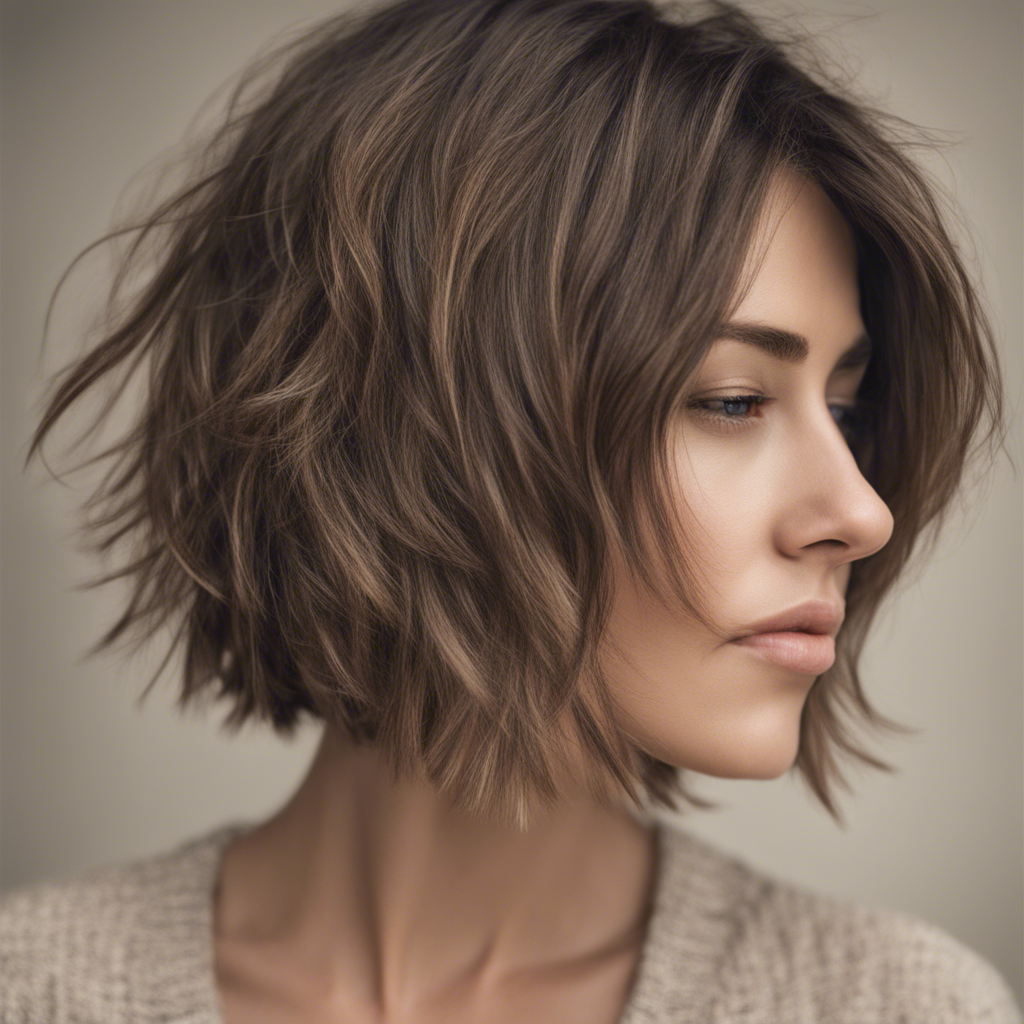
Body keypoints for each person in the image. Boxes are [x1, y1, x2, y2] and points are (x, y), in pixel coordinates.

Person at [2, 0, 1019, 1020]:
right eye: (732, 399)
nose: (861, 510)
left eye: (844, 409)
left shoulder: (894, 1005)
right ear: (420, 429)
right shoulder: (38, 988)